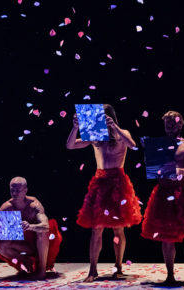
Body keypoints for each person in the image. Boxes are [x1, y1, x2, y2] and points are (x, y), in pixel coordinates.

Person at [67, 104, 142, 282]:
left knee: (118, 229)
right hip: (100, 182)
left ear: (110, 117)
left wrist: (114, 127)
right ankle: (93, 270)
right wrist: (75, 127)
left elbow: (133, 145)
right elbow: (70, 146)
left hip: (118, 182)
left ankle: (119, 266)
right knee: (96, 229)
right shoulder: (94, 135)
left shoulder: (122, 132)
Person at [141, 111, 184, 284]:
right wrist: (147, 150)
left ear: (181, 124)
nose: (170, 127)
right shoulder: (158, 145)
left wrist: (177, 170)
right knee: (165, 235)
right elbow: (154, 171)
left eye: (174, 123)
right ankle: (169, 275)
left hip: (182, 192)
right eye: (167, 124)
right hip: (162, 192)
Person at [0, 177, 62, 280]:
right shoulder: (7, 207)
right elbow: (0, 231)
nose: (14, 193)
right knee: (0, 245)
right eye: (12, 190)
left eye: (18, 190)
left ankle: (41, 271)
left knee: (42, 232)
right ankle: (25, 261)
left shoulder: (34, 205)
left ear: (25, 190)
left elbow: (45, 226)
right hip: (23, 245)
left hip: (40, 244)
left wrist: (30, 226)